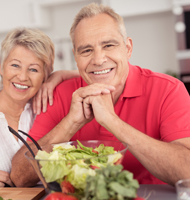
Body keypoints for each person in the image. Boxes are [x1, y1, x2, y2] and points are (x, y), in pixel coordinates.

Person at [10, 3, 190, 187]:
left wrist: (112, 122)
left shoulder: (169, 90)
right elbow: (19, 177)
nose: (98, 59)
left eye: (109, 45)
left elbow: (187, 173)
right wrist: (72, 122)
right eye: (86, 50)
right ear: (76, 57)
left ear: (127, 48)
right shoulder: (59, 94)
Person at [0, 27, 79, 187]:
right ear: (1, 67)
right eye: (15, 65)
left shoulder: (49, 107)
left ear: (45, 75)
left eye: (33, 69)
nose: (23, 77)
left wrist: (60, 75)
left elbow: (96, 74)